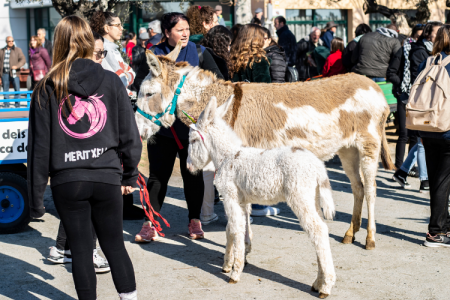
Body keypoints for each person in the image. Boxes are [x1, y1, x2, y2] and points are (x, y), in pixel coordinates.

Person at [28, 15, 141, 300]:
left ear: (59, 44)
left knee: (80, 249)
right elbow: (130, 134)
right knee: (115, 245)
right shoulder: (111, 81)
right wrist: (129, 175)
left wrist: (36, 199)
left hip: (68, 180)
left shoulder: (45, 88)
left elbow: (39, 148)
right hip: (106, 175)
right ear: (89, 42)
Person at [133, 12, 224, 242]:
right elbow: (141, 86)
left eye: (186, 29)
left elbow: (219, 83)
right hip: (162, 130)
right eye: (179, 30)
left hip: (191, 128)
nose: (185, 34)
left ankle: (195, 220)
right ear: (166, 33)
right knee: (157, 178)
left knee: (192, 175)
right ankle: (150, 223)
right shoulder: (154, 55)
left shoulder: (199, 52)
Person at [47, 30, 111, 274]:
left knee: (80, 202)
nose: (100, 58)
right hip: (79, 159)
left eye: (103, 53)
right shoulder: (63, 84)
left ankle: (61, 248)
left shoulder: (103, 79)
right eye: (97, 53)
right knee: (88, 202)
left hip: (86, 161)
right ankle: (87, 251)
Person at [90, 10, 143, 221]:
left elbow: (126, 73)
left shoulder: (111, 47)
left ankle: (122, 204)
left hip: (115, 102)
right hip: (117, 104)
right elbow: (124, 76)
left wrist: (128, 73)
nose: (122, 28)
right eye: (118, 25)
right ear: (106, 28)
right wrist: (129, 73)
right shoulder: (107, 49)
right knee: (122, 153)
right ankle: (122, 206)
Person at [230, 24, 280, 217]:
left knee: (243, 160)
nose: (264, 40)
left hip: (238, 115)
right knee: (260, 160)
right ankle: (258, 206)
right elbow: (264, 90)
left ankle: (243, 202)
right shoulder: (259, 60)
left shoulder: (234, 58)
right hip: (257, 116)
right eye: (261, 37)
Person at [415, 25, 450, 247]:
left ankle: (441, 228)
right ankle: (436, 232)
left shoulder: (426, 62)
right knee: (442, 181)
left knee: (439, 179)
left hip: (427, 127)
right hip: (447, 128)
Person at [387, 23, 433, 170]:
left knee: (415, 136)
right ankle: (399, 166)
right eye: (417, 36)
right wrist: (401, 86)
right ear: (412, 36)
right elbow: (391, 73)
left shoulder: (427, 51)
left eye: (422, 36)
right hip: (404, 95)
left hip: (416, 97)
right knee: (404, 134)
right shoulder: (403, 50)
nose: (418, 39)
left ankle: (409, 167)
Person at [0, 36, 26, 108]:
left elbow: (23, 60)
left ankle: (17, 104)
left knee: (17, 88)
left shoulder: (17, 50)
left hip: (14, 73)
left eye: (12, 41)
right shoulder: (2, 51)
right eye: (9, 41)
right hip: (4, 73)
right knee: (5, 89)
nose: (11, 42)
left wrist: (17, 66)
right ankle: (6, 104)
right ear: (6, 42)